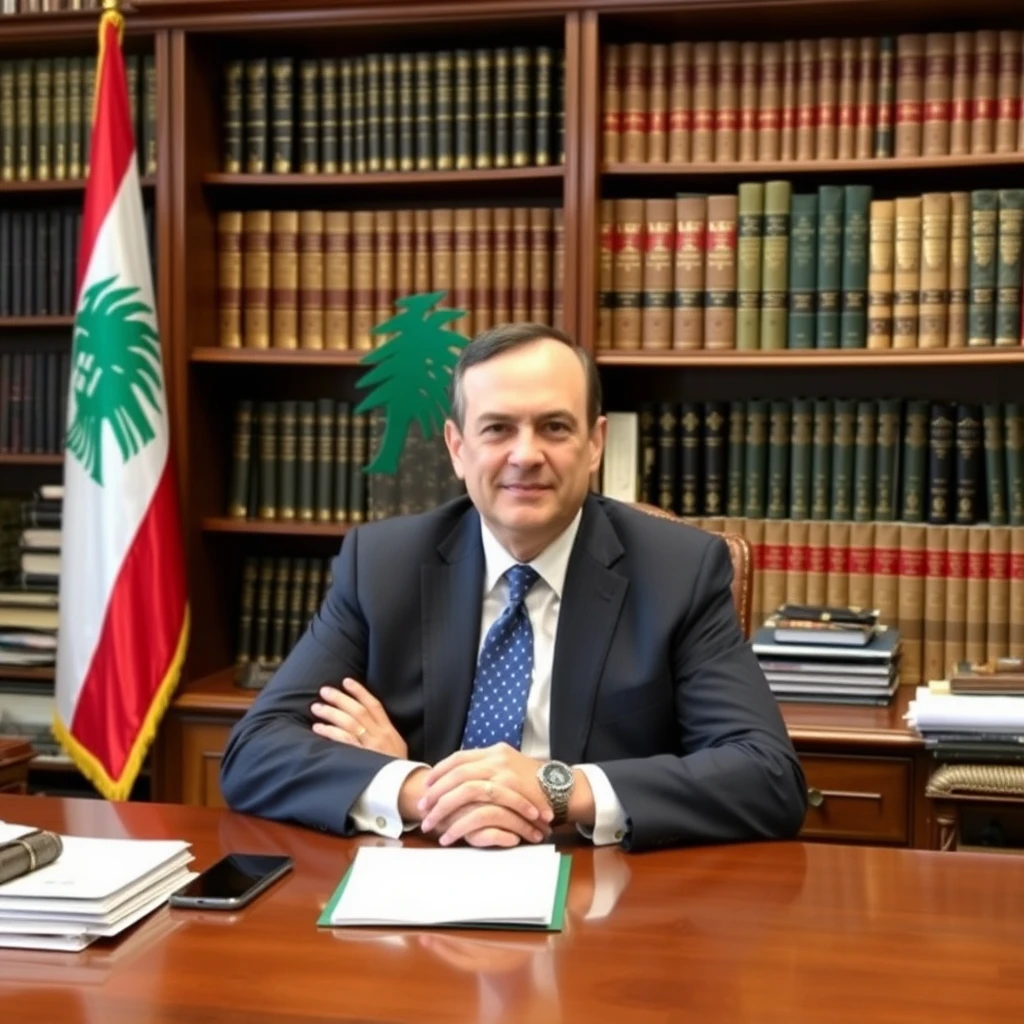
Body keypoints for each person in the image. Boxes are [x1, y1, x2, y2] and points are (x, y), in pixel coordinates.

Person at [219, 323, 807, 852]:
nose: (526, 455)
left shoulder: (679, 571)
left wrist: (557, 789)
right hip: (419, 884)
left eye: (554, 427)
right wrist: (424, 789)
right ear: (457, 446)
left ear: (595, 443)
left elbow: (768, 778)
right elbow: (254, 753)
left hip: (603, 901)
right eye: (498, 428)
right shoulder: (382, 564)